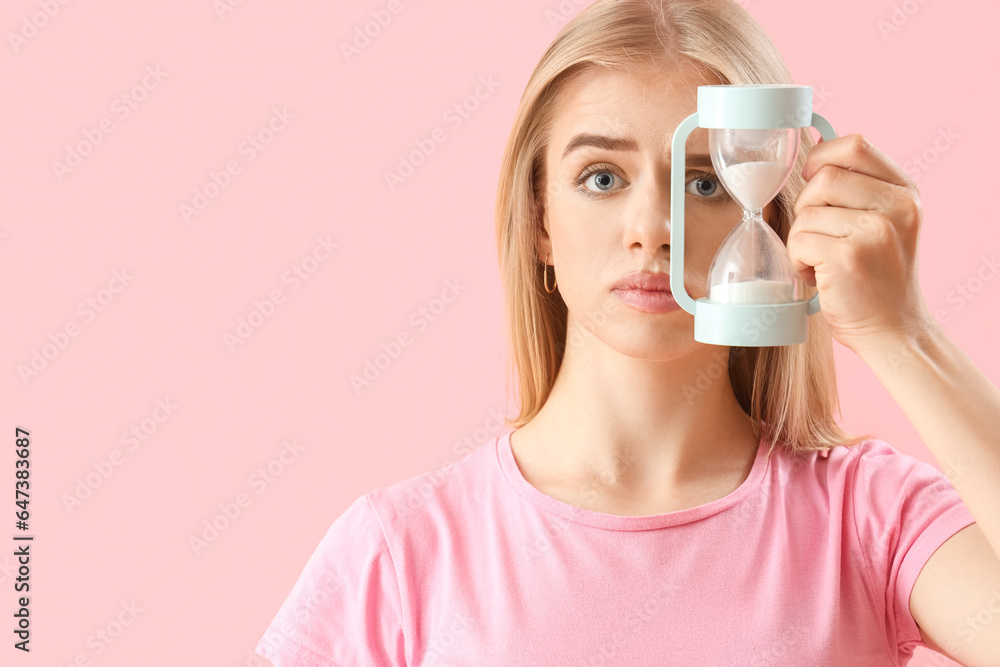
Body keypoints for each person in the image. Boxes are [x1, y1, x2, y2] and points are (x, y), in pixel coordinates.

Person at [254, 0, 1000, 664]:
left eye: (706, 181)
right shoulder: (402, 548)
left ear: (768, 209)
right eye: (603, 178)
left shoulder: (867, 515)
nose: (653, 229)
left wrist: (902, 333)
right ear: (541, 220)